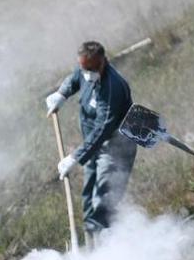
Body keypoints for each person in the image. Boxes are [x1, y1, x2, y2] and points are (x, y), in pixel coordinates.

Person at [44, 41, 136, 237]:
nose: (87, 73)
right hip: (92, 143)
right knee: (88, 193)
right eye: (84, 68)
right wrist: (62, 94)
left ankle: (110, 245)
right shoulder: (86, 70)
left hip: (114, 147)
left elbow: (103, 128)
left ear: (103, 61)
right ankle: (91, 240)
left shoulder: (113, 88)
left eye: (91, 69)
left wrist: (75, 157)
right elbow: (75, 78)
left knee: (105, 196)